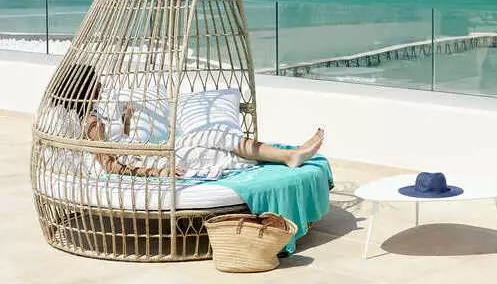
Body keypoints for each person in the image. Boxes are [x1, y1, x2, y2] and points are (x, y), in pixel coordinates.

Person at [50, 64, 324, 177]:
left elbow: (116, 143)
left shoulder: (96, 115)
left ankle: (289, 155)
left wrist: (125, 120)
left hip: (145, 150)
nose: (100, 84)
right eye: (95, 81)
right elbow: (111, 165)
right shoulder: (91, 123)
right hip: (147, 158)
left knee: (214, 137)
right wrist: (156, 172)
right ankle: (287, 156)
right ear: (85, 87)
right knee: (215, 148)